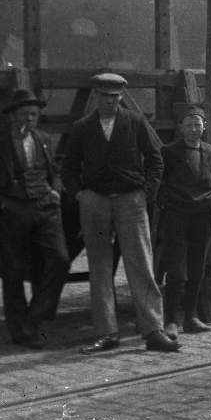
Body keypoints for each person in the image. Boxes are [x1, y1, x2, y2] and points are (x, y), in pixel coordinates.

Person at [61, 72, 178, 353]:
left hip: (130, 200)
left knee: (141, 264)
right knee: (100, 267)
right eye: (104, 96)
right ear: (96, 96)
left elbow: (155, 159)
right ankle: (106, 333)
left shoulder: (135, 122)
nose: (109, 102)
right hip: (95, 201)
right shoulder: (83, 127)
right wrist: (80, 195)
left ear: (121, 97)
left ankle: (153, 330)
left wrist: (146, 193)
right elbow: (68, 167)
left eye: (114, 97)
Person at [0, 89, 68, 349]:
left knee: (60, 259)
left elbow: (53, 171)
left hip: (45, 209)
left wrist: (55, 190)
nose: (30, 119)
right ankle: (21, 330)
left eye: (34, 114)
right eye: (25, 114)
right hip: (13, 212)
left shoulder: (44, 139)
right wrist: (3, 206)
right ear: (13, 117)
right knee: (13, 272)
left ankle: (34, 317)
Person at [156, 107, 211, 337]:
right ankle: (171, 321)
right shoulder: (169, 152)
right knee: (177, 269)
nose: (194, 129)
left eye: (198, 125)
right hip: (177, 216)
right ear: (181, 128)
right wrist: (168, 204)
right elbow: (160, 183)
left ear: (204, 127)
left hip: (203, 216)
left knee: (197, 267)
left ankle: (191, 317)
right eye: (189, 125)